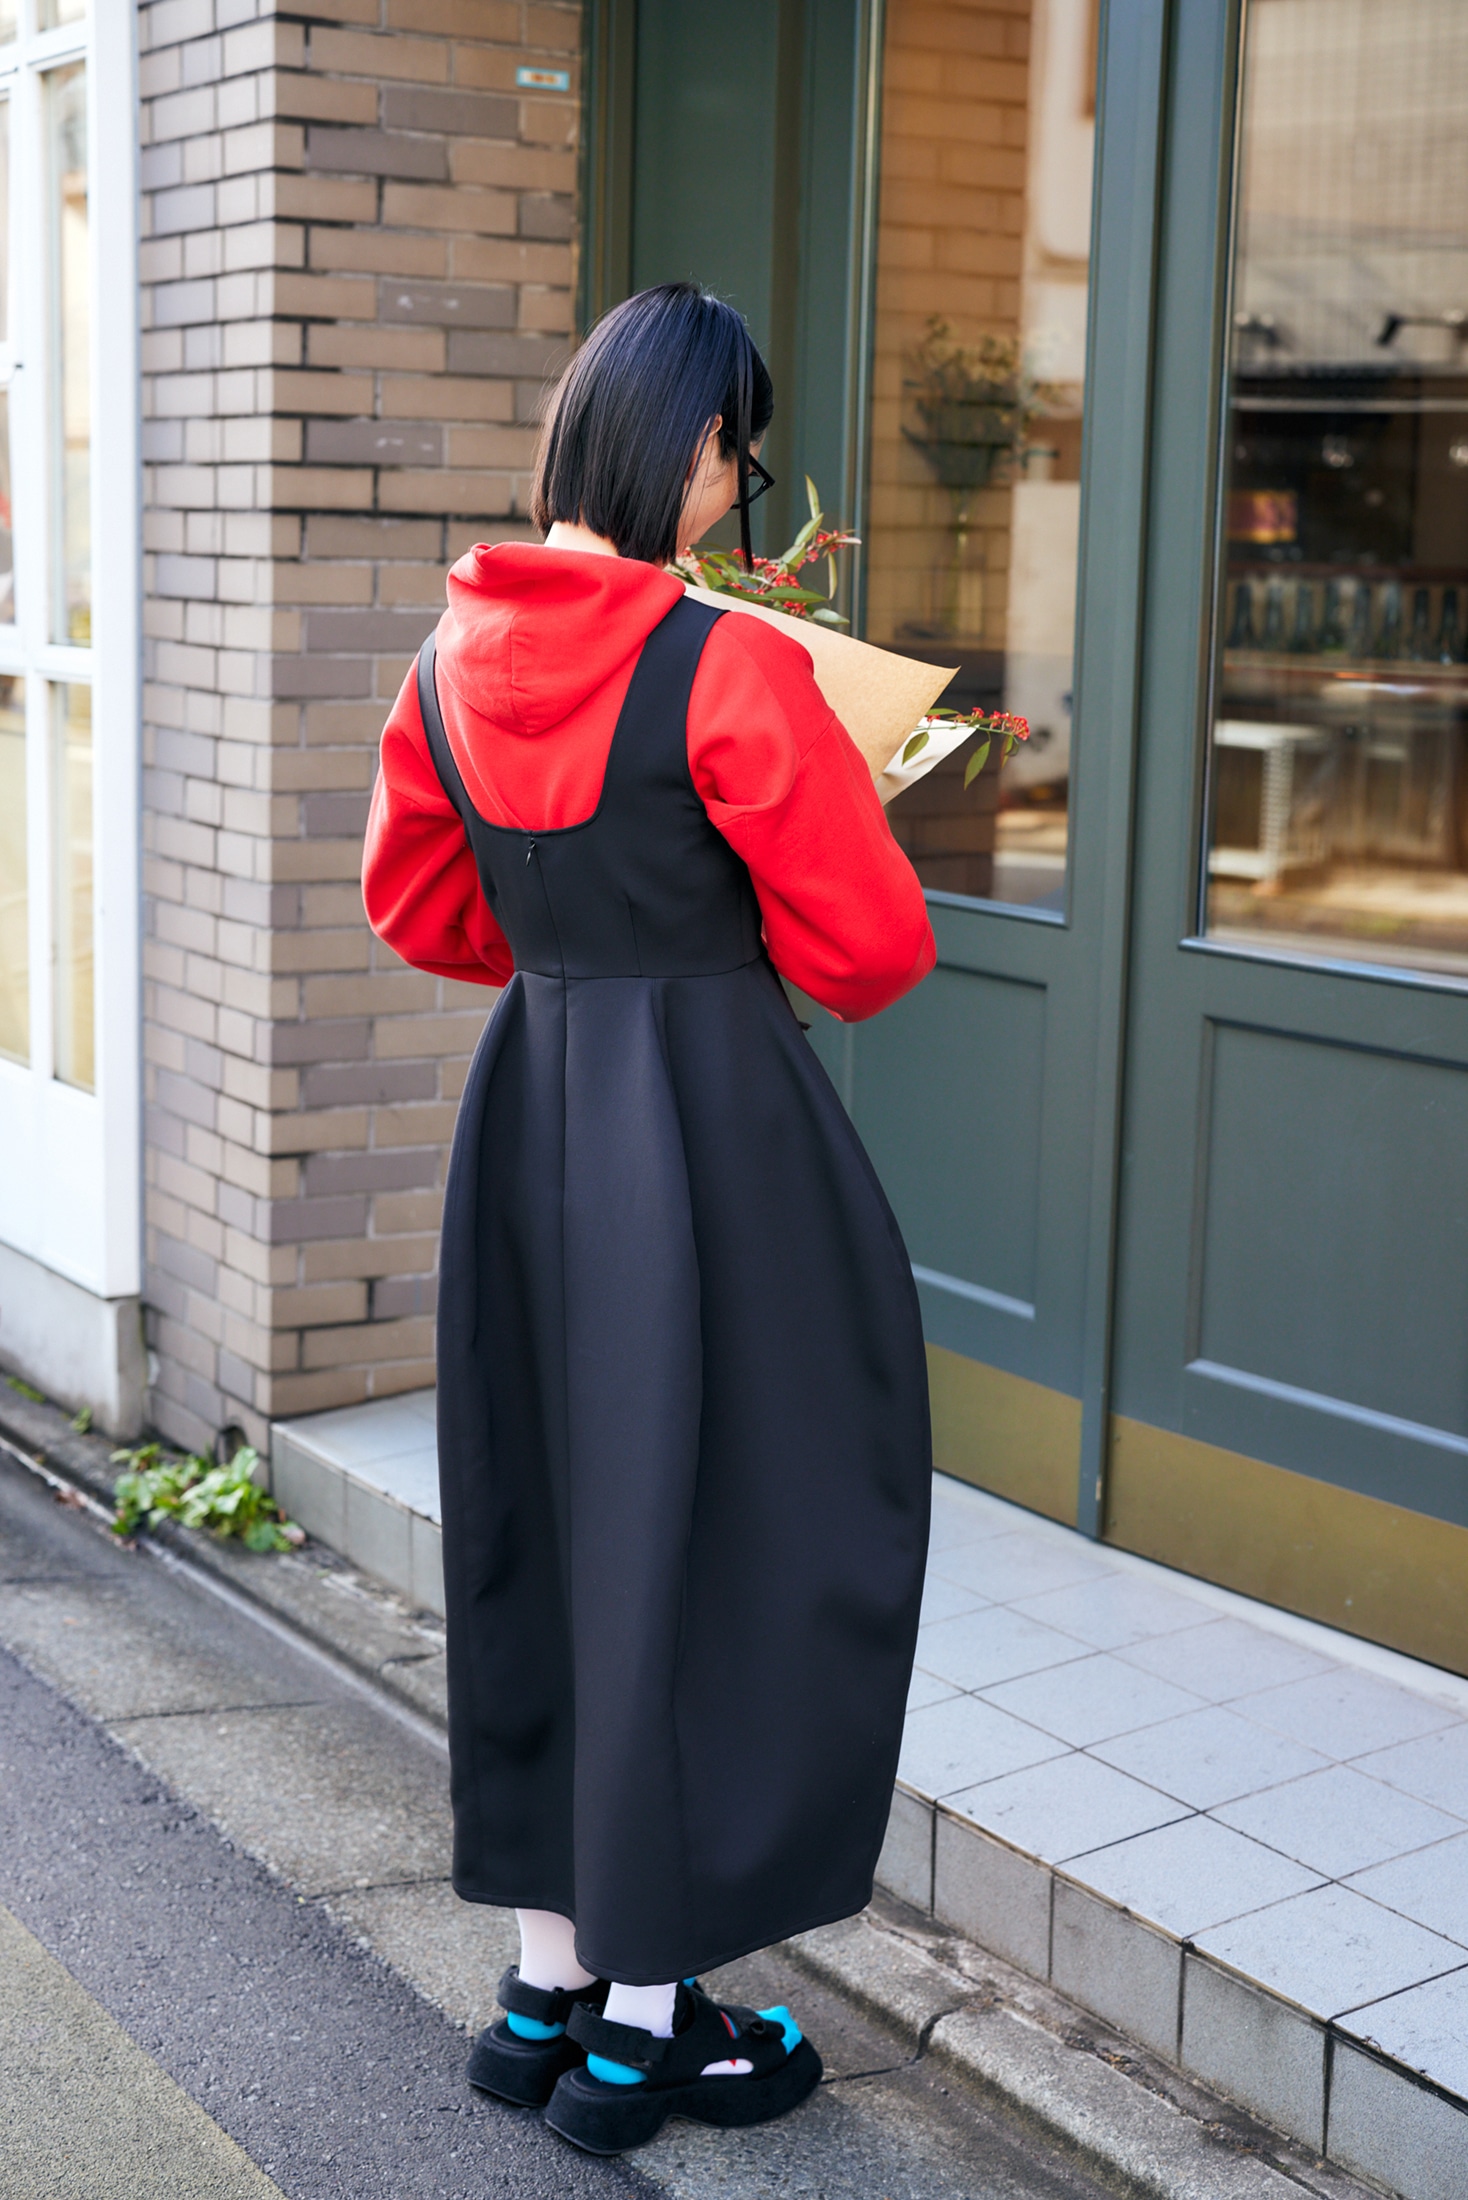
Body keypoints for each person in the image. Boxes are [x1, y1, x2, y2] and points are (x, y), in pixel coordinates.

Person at [362, 281, 935, 2157]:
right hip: (711, 1136)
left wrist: (577, 954)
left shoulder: (447, 660)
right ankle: (641, 2030)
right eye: (735, 454)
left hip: (534, 1116)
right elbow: (870, 952)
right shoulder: (728, 667)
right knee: (735, 1532)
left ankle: (547, 1987)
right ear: (693, 446)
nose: (732, 484)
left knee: (551, 1531)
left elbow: (423, 915)